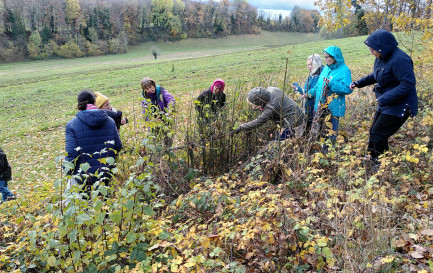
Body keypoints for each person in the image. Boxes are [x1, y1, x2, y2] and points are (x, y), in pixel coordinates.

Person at [350, 29, 418, 165]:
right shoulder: (382, 58)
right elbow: (376, 75)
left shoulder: (400, 59)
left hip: (401, 104)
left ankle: (381, 165)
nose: (371, 52)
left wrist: (384, 98)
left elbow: (408, 84)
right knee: (374, 132)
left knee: (378, 133)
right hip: (387, 102)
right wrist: (358, 83)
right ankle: (371, 158)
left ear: (383, 47)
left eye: (373, 50)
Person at [64, 90, 122, 188]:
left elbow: (71, 153)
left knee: (87, 201)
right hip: (107, 173)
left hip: (83, 176)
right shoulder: (110, 121)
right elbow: (118, 146)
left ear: (79, 105)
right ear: (94, 102)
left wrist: (67, 171)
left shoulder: (71, 125)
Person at [306, 46, 352, 141]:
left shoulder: (344, 70)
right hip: (320, 107)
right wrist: (309, 94)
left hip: (332, 109)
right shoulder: (326, 69)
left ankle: (328, 153)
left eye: (328, 57)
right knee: (317, 134)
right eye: (325, 57)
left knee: (329, 136)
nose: (325, 60)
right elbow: (319, 86)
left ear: (335, 57)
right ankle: (317, 153)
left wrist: (331, 83)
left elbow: (347, 89)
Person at [231, 87, 305, 140]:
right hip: (297, 114)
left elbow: (258, 121)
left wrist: (241, 127)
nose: (253, 107)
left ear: (260, 103)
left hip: (294, 121)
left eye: (253, 105)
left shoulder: (270, 108)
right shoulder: (271, 89)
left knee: (278, 143)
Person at [292, 54, 324, 129]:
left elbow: (315, 92)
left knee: (316, 129)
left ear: (316, 64)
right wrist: (298, 88)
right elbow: (306, 91)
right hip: (308, 108)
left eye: (310, 65)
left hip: (316, 108)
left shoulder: (321, 76)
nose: (308, 67)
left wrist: (307, 94)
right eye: (308, 65)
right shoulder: (312, 74)